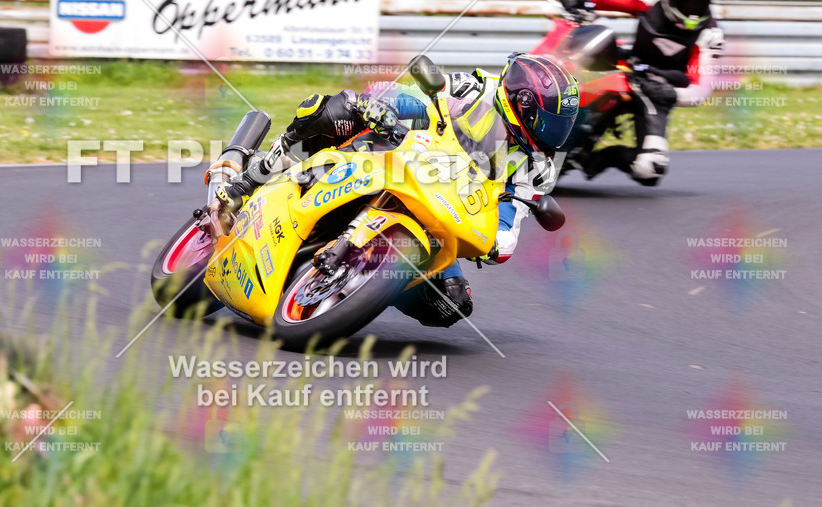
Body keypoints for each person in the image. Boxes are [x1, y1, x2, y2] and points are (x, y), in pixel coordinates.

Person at [210, 54, 579, 328]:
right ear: (525, 104)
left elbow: (507, 230)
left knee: (451, 304)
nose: (553, 135)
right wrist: (381, 107)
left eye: (562, 126)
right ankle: (249, 180)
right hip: (398, 151)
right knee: (339, 109)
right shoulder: (477, 88)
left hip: (437, 209)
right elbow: (413, 95)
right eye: (550, 123)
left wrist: (494, 242)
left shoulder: (536, 167)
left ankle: (355, 283)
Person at [559, 0, 723, 186]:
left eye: (699, 3)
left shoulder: (710, 35)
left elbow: (701, 88)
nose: (691, 9)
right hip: (627, 66)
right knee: (584, 52)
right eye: (685, 0)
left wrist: (669, 93)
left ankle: (595, 159)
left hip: (659, 90)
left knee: (650, 169)